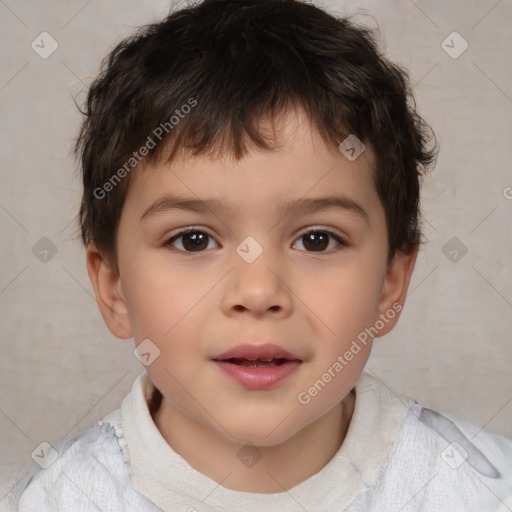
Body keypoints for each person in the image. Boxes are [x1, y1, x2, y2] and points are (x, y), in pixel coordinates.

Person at [12, 0, 512, 510]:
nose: (257, 293)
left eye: (317, 239)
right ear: (114, 288)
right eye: (193, 240)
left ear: (390, 283)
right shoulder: (55, 500)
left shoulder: (480, 491)